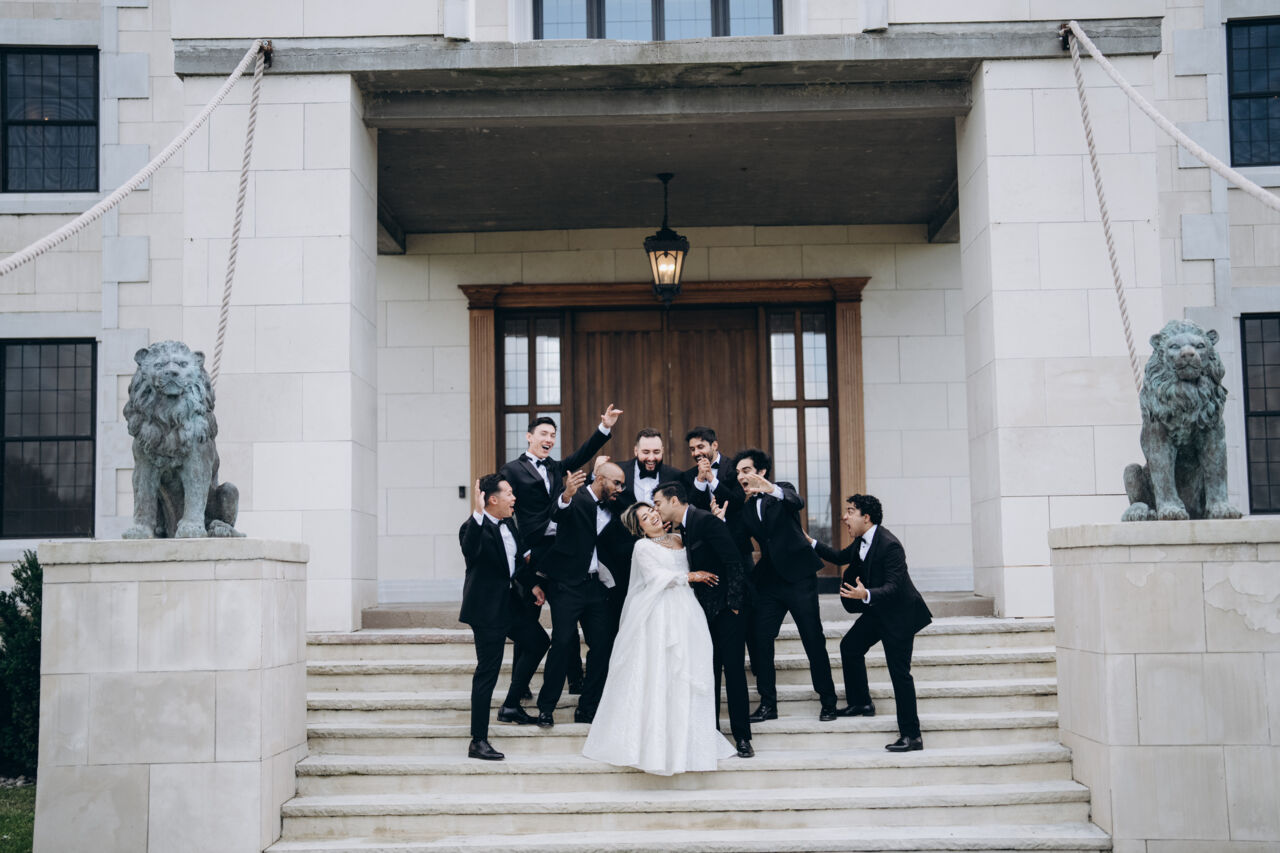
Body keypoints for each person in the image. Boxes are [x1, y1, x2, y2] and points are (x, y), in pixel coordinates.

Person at [583, 501, 737, 775]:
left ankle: (688, 741)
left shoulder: (680, 537)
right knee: (661, 671)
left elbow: (708, 549)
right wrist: (690, 576)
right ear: (639, 527)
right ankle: (656, 744)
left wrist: (717, 522)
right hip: (659, 612)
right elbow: (655, 577)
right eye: (645, 517)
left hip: (688, 610)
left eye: (652, 511)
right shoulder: (642, 547)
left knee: (687, 670)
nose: (652, 516)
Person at [499, 405, 623, 695]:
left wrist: (604, 428)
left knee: (565, 621)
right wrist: (523, 550)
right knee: (529, 621)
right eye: (544, 434)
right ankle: (521, 685)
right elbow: (507, 513)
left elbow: (581, 455)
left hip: (559, 554)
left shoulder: (555, 467)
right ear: (529, 436)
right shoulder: (512, 470)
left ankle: (575, 679)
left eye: (553, 435)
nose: (549, 439)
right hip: (533, 552)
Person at [811, 493, 933, 752]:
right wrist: (810, 542)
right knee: (850, 647)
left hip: (900, 615)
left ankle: (912, 736)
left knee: (900, 675)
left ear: (866, 517)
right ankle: (861, 702)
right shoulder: (861, 541)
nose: (844, 517)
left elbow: (893, 587)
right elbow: (839, 556)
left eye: (850, 511)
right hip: (878, 612)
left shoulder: (890, 545)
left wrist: (864, 594)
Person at [734, 448, 840, 722]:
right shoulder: (746, 508)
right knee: (760, 638)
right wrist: (720, 519)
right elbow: (736, 539)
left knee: (812, 638)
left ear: (761, 472)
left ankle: (828, 702)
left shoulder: (782, 491)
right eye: (738, 473)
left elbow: (797, 501)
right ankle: (768, 705)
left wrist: (770, 489)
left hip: (799, 578)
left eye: (746, 470)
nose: (741, 476)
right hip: (770, 582)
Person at [652, 482, 754, 758]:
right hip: (703, 614)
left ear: (674, 500)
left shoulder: (705, 521)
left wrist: (734, 606)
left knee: (734, 672)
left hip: (727, 611)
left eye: (658, 504)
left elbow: (734, 562)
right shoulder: (684, 527)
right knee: (708, 673)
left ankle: (742, 738)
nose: (656, 510)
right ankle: (711, 735)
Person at [457, 474, 551, 761]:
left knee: (538, 641)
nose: (514, 498)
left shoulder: (509, 523)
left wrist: (532, 584)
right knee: (487, 672)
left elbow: (516, 563)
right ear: (492, 499)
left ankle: (511, 705)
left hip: (509, 604)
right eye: (509, 493)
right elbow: (470, 551)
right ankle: (478, 741)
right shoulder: (472, 528)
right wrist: (477, 512)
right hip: (486, 611)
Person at [533, 461, 627, 726]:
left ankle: (588, 708)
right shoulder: (575, 497)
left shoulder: (614, 505)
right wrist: (566, 496)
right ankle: (546, 708)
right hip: (567, 585)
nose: (620, 489)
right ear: (600, 479)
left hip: (597, 586)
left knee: (602, 646)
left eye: (622, 484)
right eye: (616, 483)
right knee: (562, 642)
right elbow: (557, 514)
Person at [619, 427, 684, 510]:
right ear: (636, 451)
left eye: (656, 452)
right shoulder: (620, 471)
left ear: (662, 451)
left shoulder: (675, 476)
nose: (651, 458)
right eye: (646, 452)